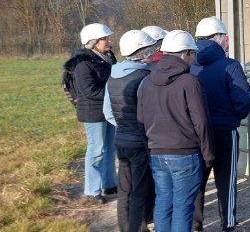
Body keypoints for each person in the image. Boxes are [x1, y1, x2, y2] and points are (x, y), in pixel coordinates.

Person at [138, 30, 215, 232]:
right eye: (193, 53)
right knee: (183, 206)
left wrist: (149, 147)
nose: (194, 58)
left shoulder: (146, 82)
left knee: (163, 202)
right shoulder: (189, 83)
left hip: (157, 153)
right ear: (184, 54)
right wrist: (208, 154)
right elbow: (202, 122)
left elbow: (141, 120)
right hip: (185, 153)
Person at [191, 17, 250, 232]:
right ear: (218, 38)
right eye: (225, 37)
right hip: (226, 131)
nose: (227, 41)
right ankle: (227, 224)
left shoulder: (190, 65)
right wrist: (234, 115)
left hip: (196, 132)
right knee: (226, 181)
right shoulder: (230, 65)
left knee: (197, 181)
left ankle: (195, 225)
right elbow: (243, 100)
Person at [103, 30, 157, 232]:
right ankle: (138, 228)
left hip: (121, 139)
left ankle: (125, 227)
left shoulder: (113, 75)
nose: (153, 54)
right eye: (150, 50)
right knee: (140, 189)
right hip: (140, 142)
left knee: (125, 188)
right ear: (142, 53)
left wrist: (124, 126)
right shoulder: (145, 77)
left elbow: (108, 112)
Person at [63, 23, 118, 204]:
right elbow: (89, 91)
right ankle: (92, 190)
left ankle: (109, 184)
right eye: (105, 38)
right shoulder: (83, 63)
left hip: (108, 110)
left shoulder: (108, 57)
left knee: (110, 148)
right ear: (93, 42)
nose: (109, 41)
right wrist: (115, 95)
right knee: (96, 150)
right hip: (93, 113)